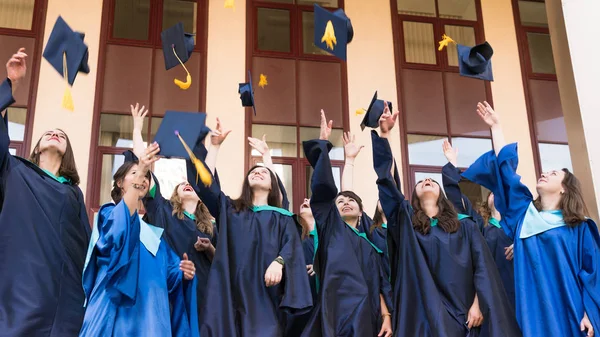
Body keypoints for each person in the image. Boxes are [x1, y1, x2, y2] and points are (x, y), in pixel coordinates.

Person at [373, 103, 521, 337]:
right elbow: (389, 185)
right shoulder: (407, 226)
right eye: (421, 182)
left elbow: (482, 268)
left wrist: (478, 303)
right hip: (421, 316)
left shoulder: (465, 227)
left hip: (463, 313)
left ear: (442, 195)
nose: (427, 181)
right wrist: (385, 134)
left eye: (432, 180)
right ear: (412, 198)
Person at [462, 101, 600, 337]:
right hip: (533, 312)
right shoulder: (525, 218)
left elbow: (593, 274)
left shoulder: (579, 227)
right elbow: (507, 176)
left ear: (565, 189)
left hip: (571, 312)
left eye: (553, 173)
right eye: (546, 172)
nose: (545, 173)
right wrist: (496, 128)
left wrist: (591, 314)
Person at [187, 121, 312, 337]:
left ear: (273, 184)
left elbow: (292, 246)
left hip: (266, 295)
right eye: (253, 171)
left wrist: (279, 262)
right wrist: (214, 146)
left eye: (264, 172)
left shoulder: (282, 217)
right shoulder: (231, 211)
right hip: (232, 294)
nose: (257, 172)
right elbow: (206, 186)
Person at [0, 48, 92, 337]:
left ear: (68, 152)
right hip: (19, 286)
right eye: (49, 133)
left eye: (62, 135)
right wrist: (11, 84)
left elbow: (85, 246)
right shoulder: (14, 171)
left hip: (62, 294)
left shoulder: (73, 193)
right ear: (37, 146)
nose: (56, 134)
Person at [80, 144, 199, 337]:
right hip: (116, 312)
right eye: (134, 173)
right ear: (119, 183)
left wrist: (183, 273)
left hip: (151, 318)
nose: (142, 178)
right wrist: (142, 167)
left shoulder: (154, 235)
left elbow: (170, 274)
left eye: (144, 176)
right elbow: (120, 233)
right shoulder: (109, 214)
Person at [300, 110, 393, 337]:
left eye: (352, 201)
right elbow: (324, 189)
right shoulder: (331, 230)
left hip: (368, 315)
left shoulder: (371, 244)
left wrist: (387, 317)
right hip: (336, 313)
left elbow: (380, 284)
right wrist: (323, 145)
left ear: (362, 212)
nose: (346, 203)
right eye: (340, 202)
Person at [129, 104, 217, 323]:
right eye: (183, 184)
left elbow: (222, 261)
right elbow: (143, 170)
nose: (188, 184)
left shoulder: (212, 226)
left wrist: (210, 248)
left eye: (192, 184)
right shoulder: (163, 210)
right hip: (168, 289)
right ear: (175, 193)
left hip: (203, 292)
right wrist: (137, 129)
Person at [441, 140, 515, 312]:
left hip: (521, 288)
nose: (496, 196)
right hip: (492, 291)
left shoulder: (520, 225)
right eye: (492, 194)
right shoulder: (480, 226)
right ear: (487, 201)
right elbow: (457, 199)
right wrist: (452, 164)